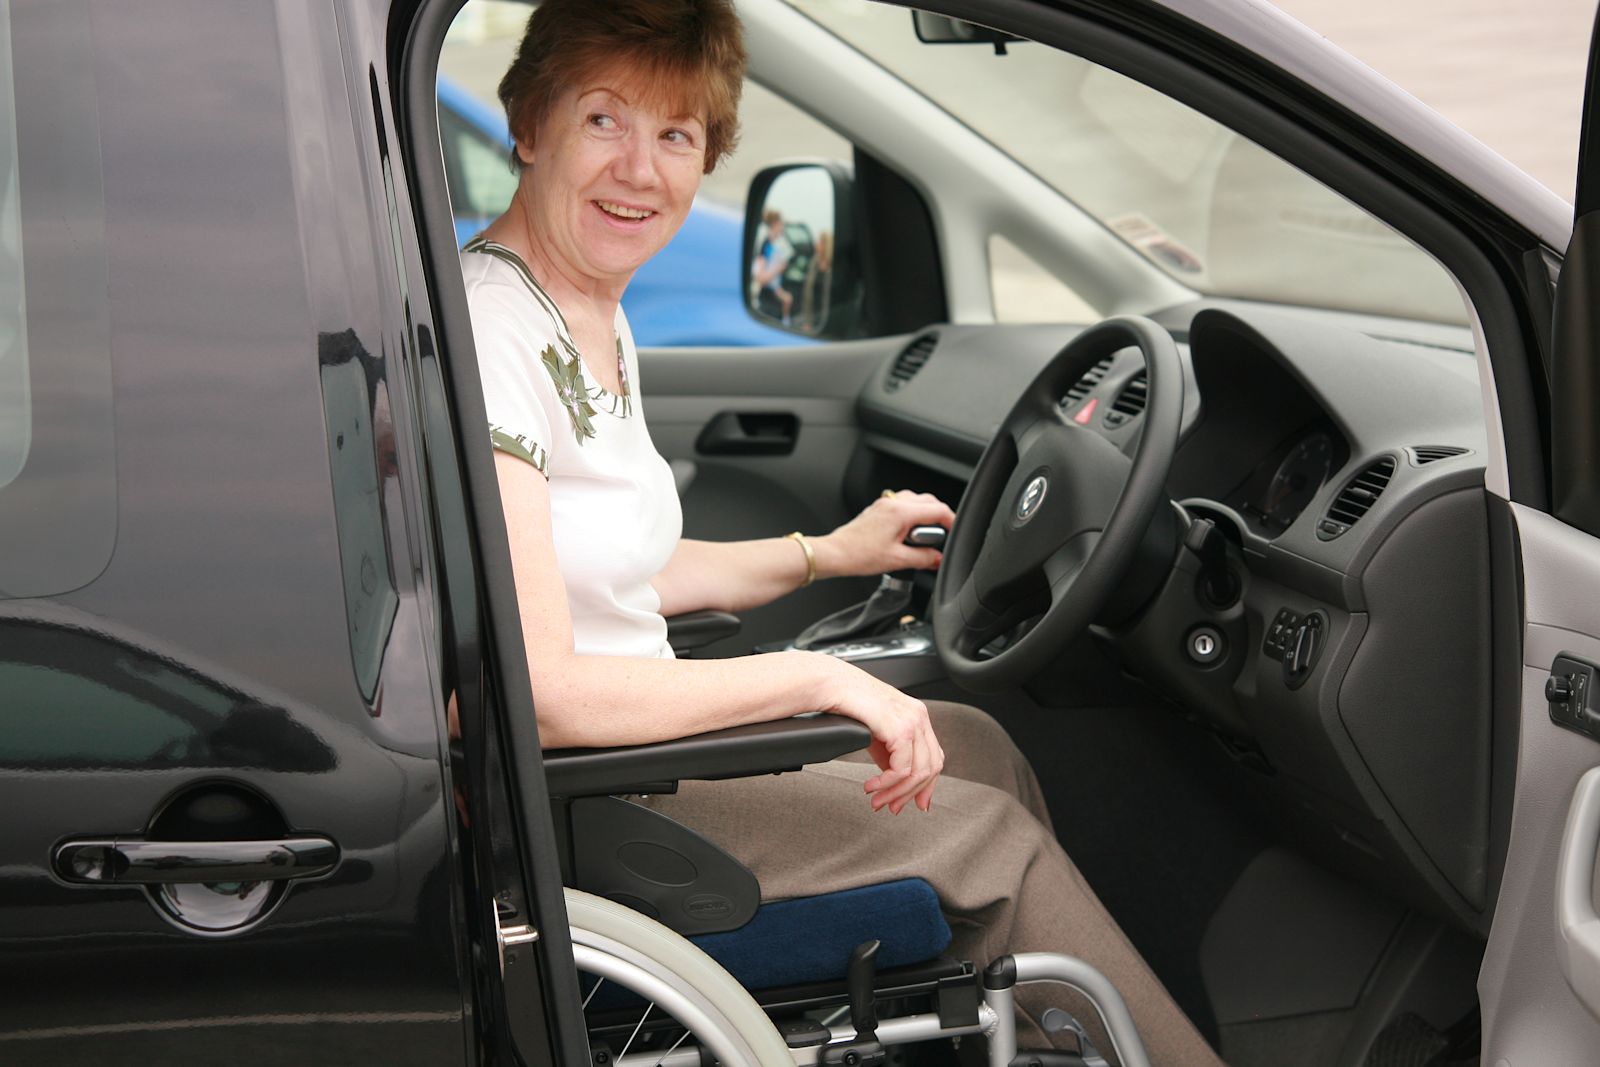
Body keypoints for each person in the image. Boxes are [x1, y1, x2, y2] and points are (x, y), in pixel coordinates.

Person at [462, 0, 1225, 1062]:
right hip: (586, 805)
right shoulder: (492, 329)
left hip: (632, 759)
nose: (640, 169)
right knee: (987, 842)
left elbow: (614, 571)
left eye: (675, 134)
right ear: (529, 124)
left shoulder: (587, 304)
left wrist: (831, 552)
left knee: (979, 748)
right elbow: (543, 684)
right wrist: (816, 679)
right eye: (604, 120)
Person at [752, 208, 794, 324]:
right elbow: (762, 279)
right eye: (781, 224)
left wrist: (783, 296)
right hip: (766, 306)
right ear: (775, 224)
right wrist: (778, 268)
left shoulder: (774, 247)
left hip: (774, 305)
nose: (782, 227)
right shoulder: (765, 246)